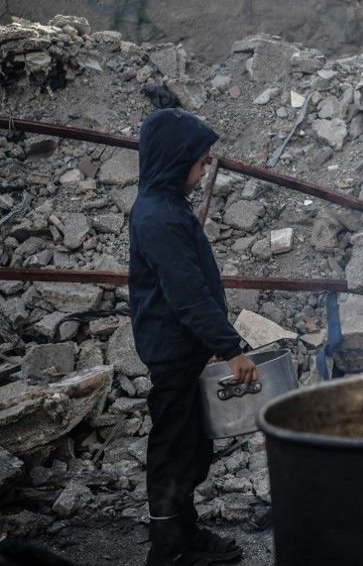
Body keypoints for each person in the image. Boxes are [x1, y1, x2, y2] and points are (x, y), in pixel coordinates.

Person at [129, 108, 258, 566]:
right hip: (172, 350)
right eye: (201, 162)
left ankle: (185, 532)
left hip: (182, 349)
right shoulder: (160, 218)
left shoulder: (166, 208)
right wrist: (231, 350)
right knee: (173, 450)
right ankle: (168, 552)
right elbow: (186, 296)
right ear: (174, 160)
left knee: (190, 447)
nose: (205, 171)